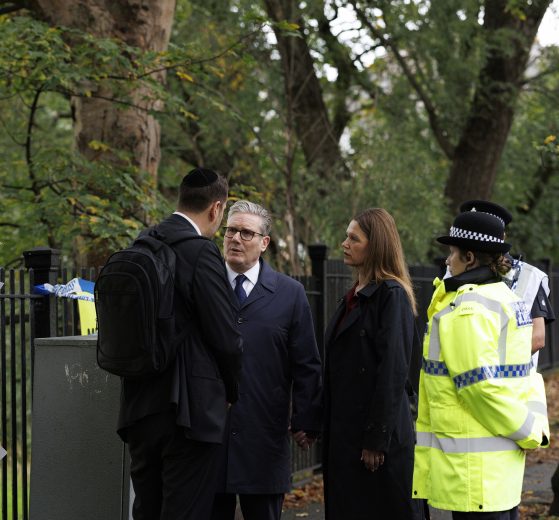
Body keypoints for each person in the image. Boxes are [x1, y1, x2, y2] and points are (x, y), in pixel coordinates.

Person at [117, 168, 243, 520]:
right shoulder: (201, 253)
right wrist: (231, 390)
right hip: (188, 414)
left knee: (146, 510)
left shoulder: (142, 244)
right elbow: (227, 338)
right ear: (216, 209)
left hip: (139, 406)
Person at [413, 210, 549, 519]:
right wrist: (528, 430)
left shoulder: (470, 307)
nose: (448, 260)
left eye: (452, 253)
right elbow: (521, 375)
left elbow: (479, 388)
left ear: (470, 257)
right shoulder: (504, 297)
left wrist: (528, 431)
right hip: (497, 471)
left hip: (472, 474)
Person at [210, 200, 323, 520]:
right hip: (208, 436)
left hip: (264, 436)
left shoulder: (290, 294)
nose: (235, 239)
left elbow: (306, 362)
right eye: (230, 230)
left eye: (246, 233)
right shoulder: (203, 284)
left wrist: (306, 420)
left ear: (264, 243)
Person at [322, 208, 423, 520]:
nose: (344, 244)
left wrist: (376, 440)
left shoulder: (391, 295)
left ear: (376, 245)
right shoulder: (354, 295)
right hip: (346, 438)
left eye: (354, 238)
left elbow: (393, 372)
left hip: (376, 445)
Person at [458, 200, 555, 365]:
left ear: (502, 237)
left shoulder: (528, 277)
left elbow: (537, 338)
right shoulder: (452, 273)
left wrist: (490, 365)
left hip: (510, 384)